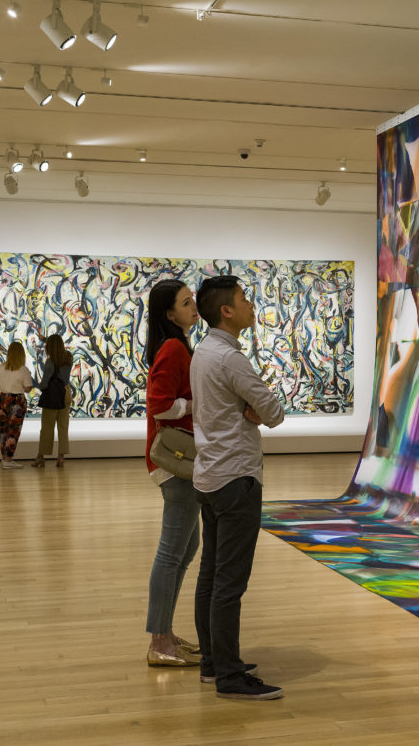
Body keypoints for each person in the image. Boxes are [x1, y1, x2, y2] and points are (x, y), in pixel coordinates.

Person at [190, 275, 285, 700]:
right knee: (229, 582)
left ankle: (213, 662)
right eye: (244, 299)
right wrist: (255, 409)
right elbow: (275, 411)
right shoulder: (231, 360)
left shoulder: (203, 353)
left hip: (210, 475)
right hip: (236, 478)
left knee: (211, 574)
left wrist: (250, 408)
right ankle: (229, 675)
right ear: (226, 311)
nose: (250, 305)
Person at [143, 279, 202, 667]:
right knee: (171, 553)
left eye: (192, 299)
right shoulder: (173, 348)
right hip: (175, 460)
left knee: (186, 548)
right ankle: (159, 642)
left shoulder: (179, 346)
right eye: (185, 302)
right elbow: (158, 404)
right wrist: (195, 404)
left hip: (182, 460)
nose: (193, 306)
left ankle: (165, 633)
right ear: (169, 314)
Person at [32, 333, 73, 468]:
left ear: (49, 347)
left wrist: (38, 385)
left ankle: (41, 457)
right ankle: (61, 457)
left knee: (47, 428)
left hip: (52, 396)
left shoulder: (49, 363)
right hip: (65, 393)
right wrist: (45, 339)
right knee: (63, 426)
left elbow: (44, 384)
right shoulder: (68, 357)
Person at [0, 341, 33, 469]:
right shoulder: (24, 370)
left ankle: (4, 458)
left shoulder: (0, 368)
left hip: (3, 399)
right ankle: (8, 460)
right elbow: (27, 389)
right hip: (17, 401)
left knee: (3, 429)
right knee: (14, 430)